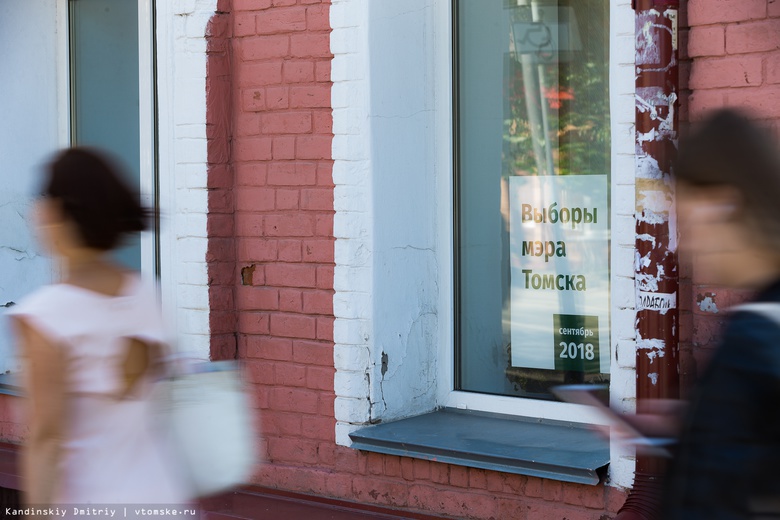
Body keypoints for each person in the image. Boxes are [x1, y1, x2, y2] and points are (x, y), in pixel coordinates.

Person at [8, 148, 189, 507]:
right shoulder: (145, 293)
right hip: (162, 499)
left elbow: (46, 440)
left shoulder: (48, 315)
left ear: (56, 211)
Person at [659, 109, 780, 518]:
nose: (685, 245)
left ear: (724, 205)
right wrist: (698, 423)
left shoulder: (754, 344)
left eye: (689, 221)